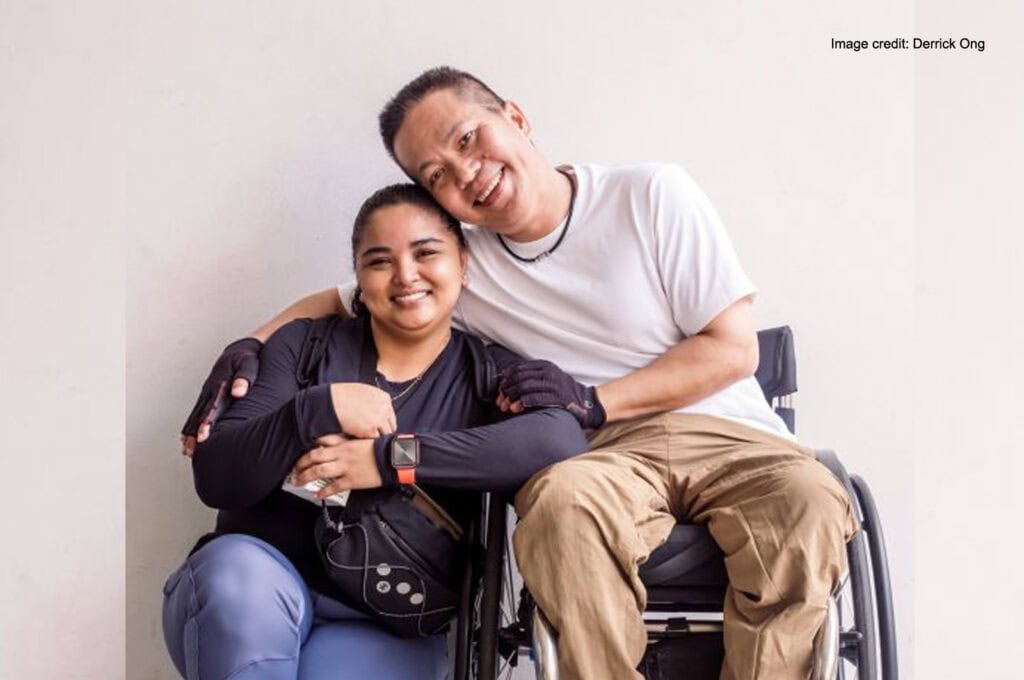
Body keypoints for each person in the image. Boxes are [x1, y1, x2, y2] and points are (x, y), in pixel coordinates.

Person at [182, 67, 858, 680]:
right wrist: (247, 345)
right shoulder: (455, 265)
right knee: (560, 510)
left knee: (811, 500)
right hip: (603, 461)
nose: (465, 173)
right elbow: (339, 299)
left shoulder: (648, 194)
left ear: (517, 117)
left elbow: (732, 350)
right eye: (437, 174)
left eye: (469, 139)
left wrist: (591, 400)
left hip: (728, 435)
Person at [164, 183, 588, 680]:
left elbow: (559, 437)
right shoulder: (303, 346)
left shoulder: (487, 376)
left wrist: (390, 460)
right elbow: (216, 476)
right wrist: (313, 410)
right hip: (255, 585)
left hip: (389, 621)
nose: (406, 275)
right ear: (359, 283)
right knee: (235, 580)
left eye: (427, 252)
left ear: (464, 265)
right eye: (380, 261)